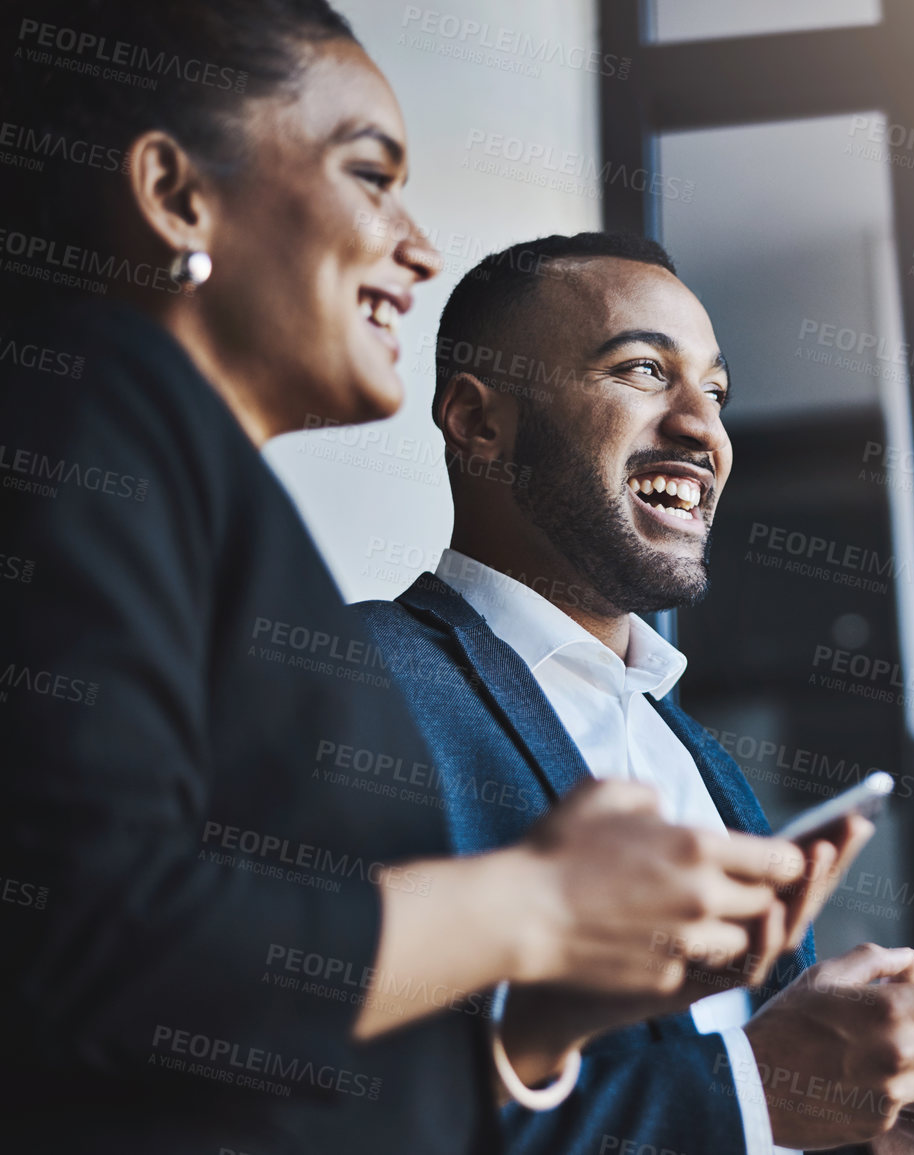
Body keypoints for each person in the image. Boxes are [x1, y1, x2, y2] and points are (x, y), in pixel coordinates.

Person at [0, 5, 812, 1152]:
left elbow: (302, 1057)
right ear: (178, 196)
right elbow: (89, 944)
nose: (419, 248)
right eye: (372, 175)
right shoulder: (97, 402)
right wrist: (538, 908)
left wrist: (546, 1029)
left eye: (719, 392)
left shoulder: (197, 482)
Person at [356, 231, 914, 1154]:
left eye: (716, 392)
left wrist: (863, 1124)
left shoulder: (702, 761)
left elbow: (739, 1101)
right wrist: (758, 1095)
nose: (704, 428)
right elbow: (330, 1097)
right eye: (644, 370)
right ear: (480, 423)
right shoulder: (351, 674)